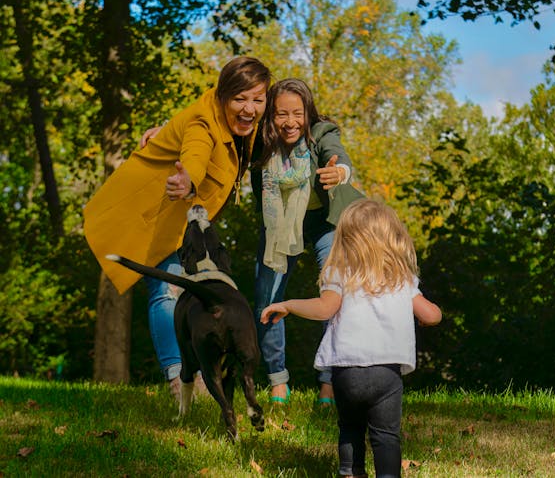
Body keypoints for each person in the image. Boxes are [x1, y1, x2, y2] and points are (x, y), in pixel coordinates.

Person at [83, 56, 272, 398]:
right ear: (223, 95)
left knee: (183, 290)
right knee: (167, 291)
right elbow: (196, 151)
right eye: (240, 99)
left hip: (179, 218)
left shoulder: (246, 115)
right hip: (154, 213)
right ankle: (179, 378)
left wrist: (165, 129)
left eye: (258, 99)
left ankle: (191, 374)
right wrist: (189, 179)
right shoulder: (204, 122)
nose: (250, 108)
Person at [260, 199, 442, 478]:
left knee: (350, 428)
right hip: (387, 373)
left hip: (347, 372)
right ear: (393, 238)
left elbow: (324, 309)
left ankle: (350, 472)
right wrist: (435, 311)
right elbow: (430, 316)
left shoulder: (340, 273)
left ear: (346, 239)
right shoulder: (402, 278)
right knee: (386, 436)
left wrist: (289, 305)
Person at [249, 78, 356, 406]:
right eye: (282, 114)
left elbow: (339, 158)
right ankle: (278, 381)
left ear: (308, 112)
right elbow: (218, 137)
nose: (290, 122)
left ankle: (328, 383)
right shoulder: (260, 138)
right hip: (280, 223)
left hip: (324, 221)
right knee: (268, 296)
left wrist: (339, 174)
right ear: (271, 115)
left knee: (335, 297)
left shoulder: (322, 132)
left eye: (297, 113)